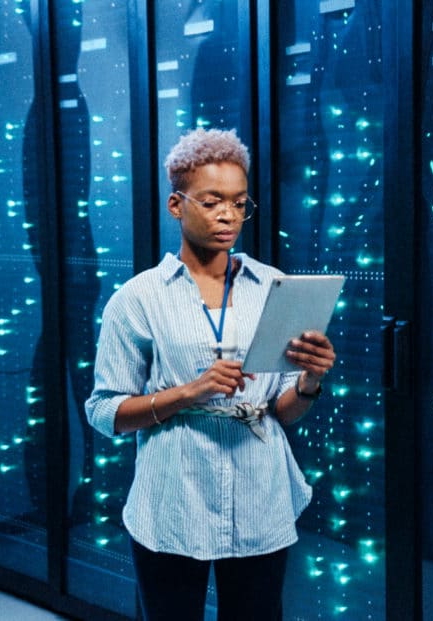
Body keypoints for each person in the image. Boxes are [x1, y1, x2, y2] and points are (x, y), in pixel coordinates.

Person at [85, 127, 336, 620]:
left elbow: (283, 412)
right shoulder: (137, 299)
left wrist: (309, 381)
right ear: (176, 206)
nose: (229, 215)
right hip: (172, 500)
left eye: (240, 203)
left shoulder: (274, 287)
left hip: (260, 497)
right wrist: (188, 392)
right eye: (212, 201)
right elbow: (104, 411)